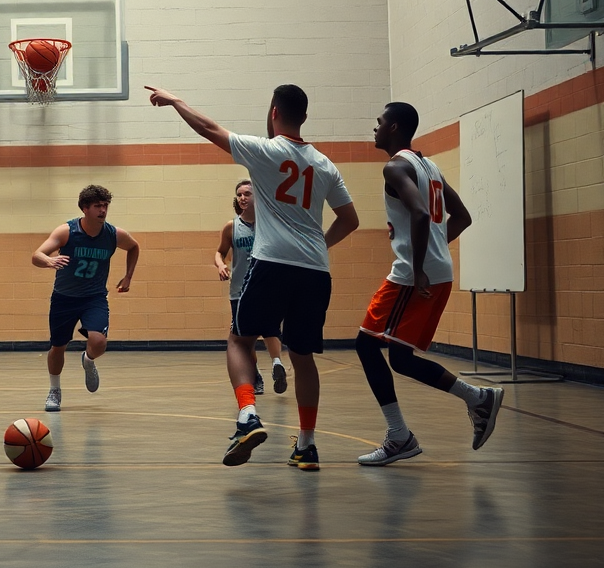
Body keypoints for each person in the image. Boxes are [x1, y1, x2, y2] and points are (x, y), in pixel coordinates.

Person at [147, 84, 359, 471]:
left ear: (274, 111)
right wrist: (320, 246)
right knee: (303, 356)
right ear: (305, 117)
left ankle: (247, 415)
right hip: (315, 271)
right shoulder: (326, 165)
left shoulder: (266, 150)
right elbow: (351, 220)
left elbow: (209, 129)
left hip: (272, 262)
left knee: (240, 339)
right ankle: (307, 445)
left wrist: (177, 101)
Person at [354, 102, 504, 465]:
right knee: (400, 358)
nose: (374, 128)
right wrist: (434, 254)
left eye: (379, 122)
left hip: (413, 275)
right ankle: (476, 399)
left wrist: (419, 266)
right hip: (437, 273)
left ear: (394, 128)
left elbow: (421, 214)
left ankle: (399, 436)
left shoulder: (395, 167)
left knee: (365, 344)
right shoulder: (430, 166)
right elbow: (462, 216)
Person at [31, 184, 140, 412]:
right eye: (97, 206)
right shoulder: (67, 232)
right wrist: (49, 261)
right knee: (57, 347)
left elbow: (134, 247)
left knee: (99, 342)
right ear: (85, 209)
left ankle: (88, 360)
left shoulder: (113, 234)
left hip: (94, 297)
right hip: (64, 298)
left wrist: (128, 276)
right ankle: (54, 390)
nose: (103, 210)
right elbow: (37, 255)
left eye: (105, 206)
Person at [216, 179, 287, 395]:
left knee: (269, 329)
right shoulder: (232, 227)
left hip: (267, 287)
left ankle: (276, 363)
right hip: (239, 290)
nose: (243, 198)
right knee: (246, 337)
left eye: (247, 193)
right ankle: (256, 372)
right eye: (239, 194)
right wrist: (220, 264)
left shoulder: (270, 224)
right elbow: (220, 251)